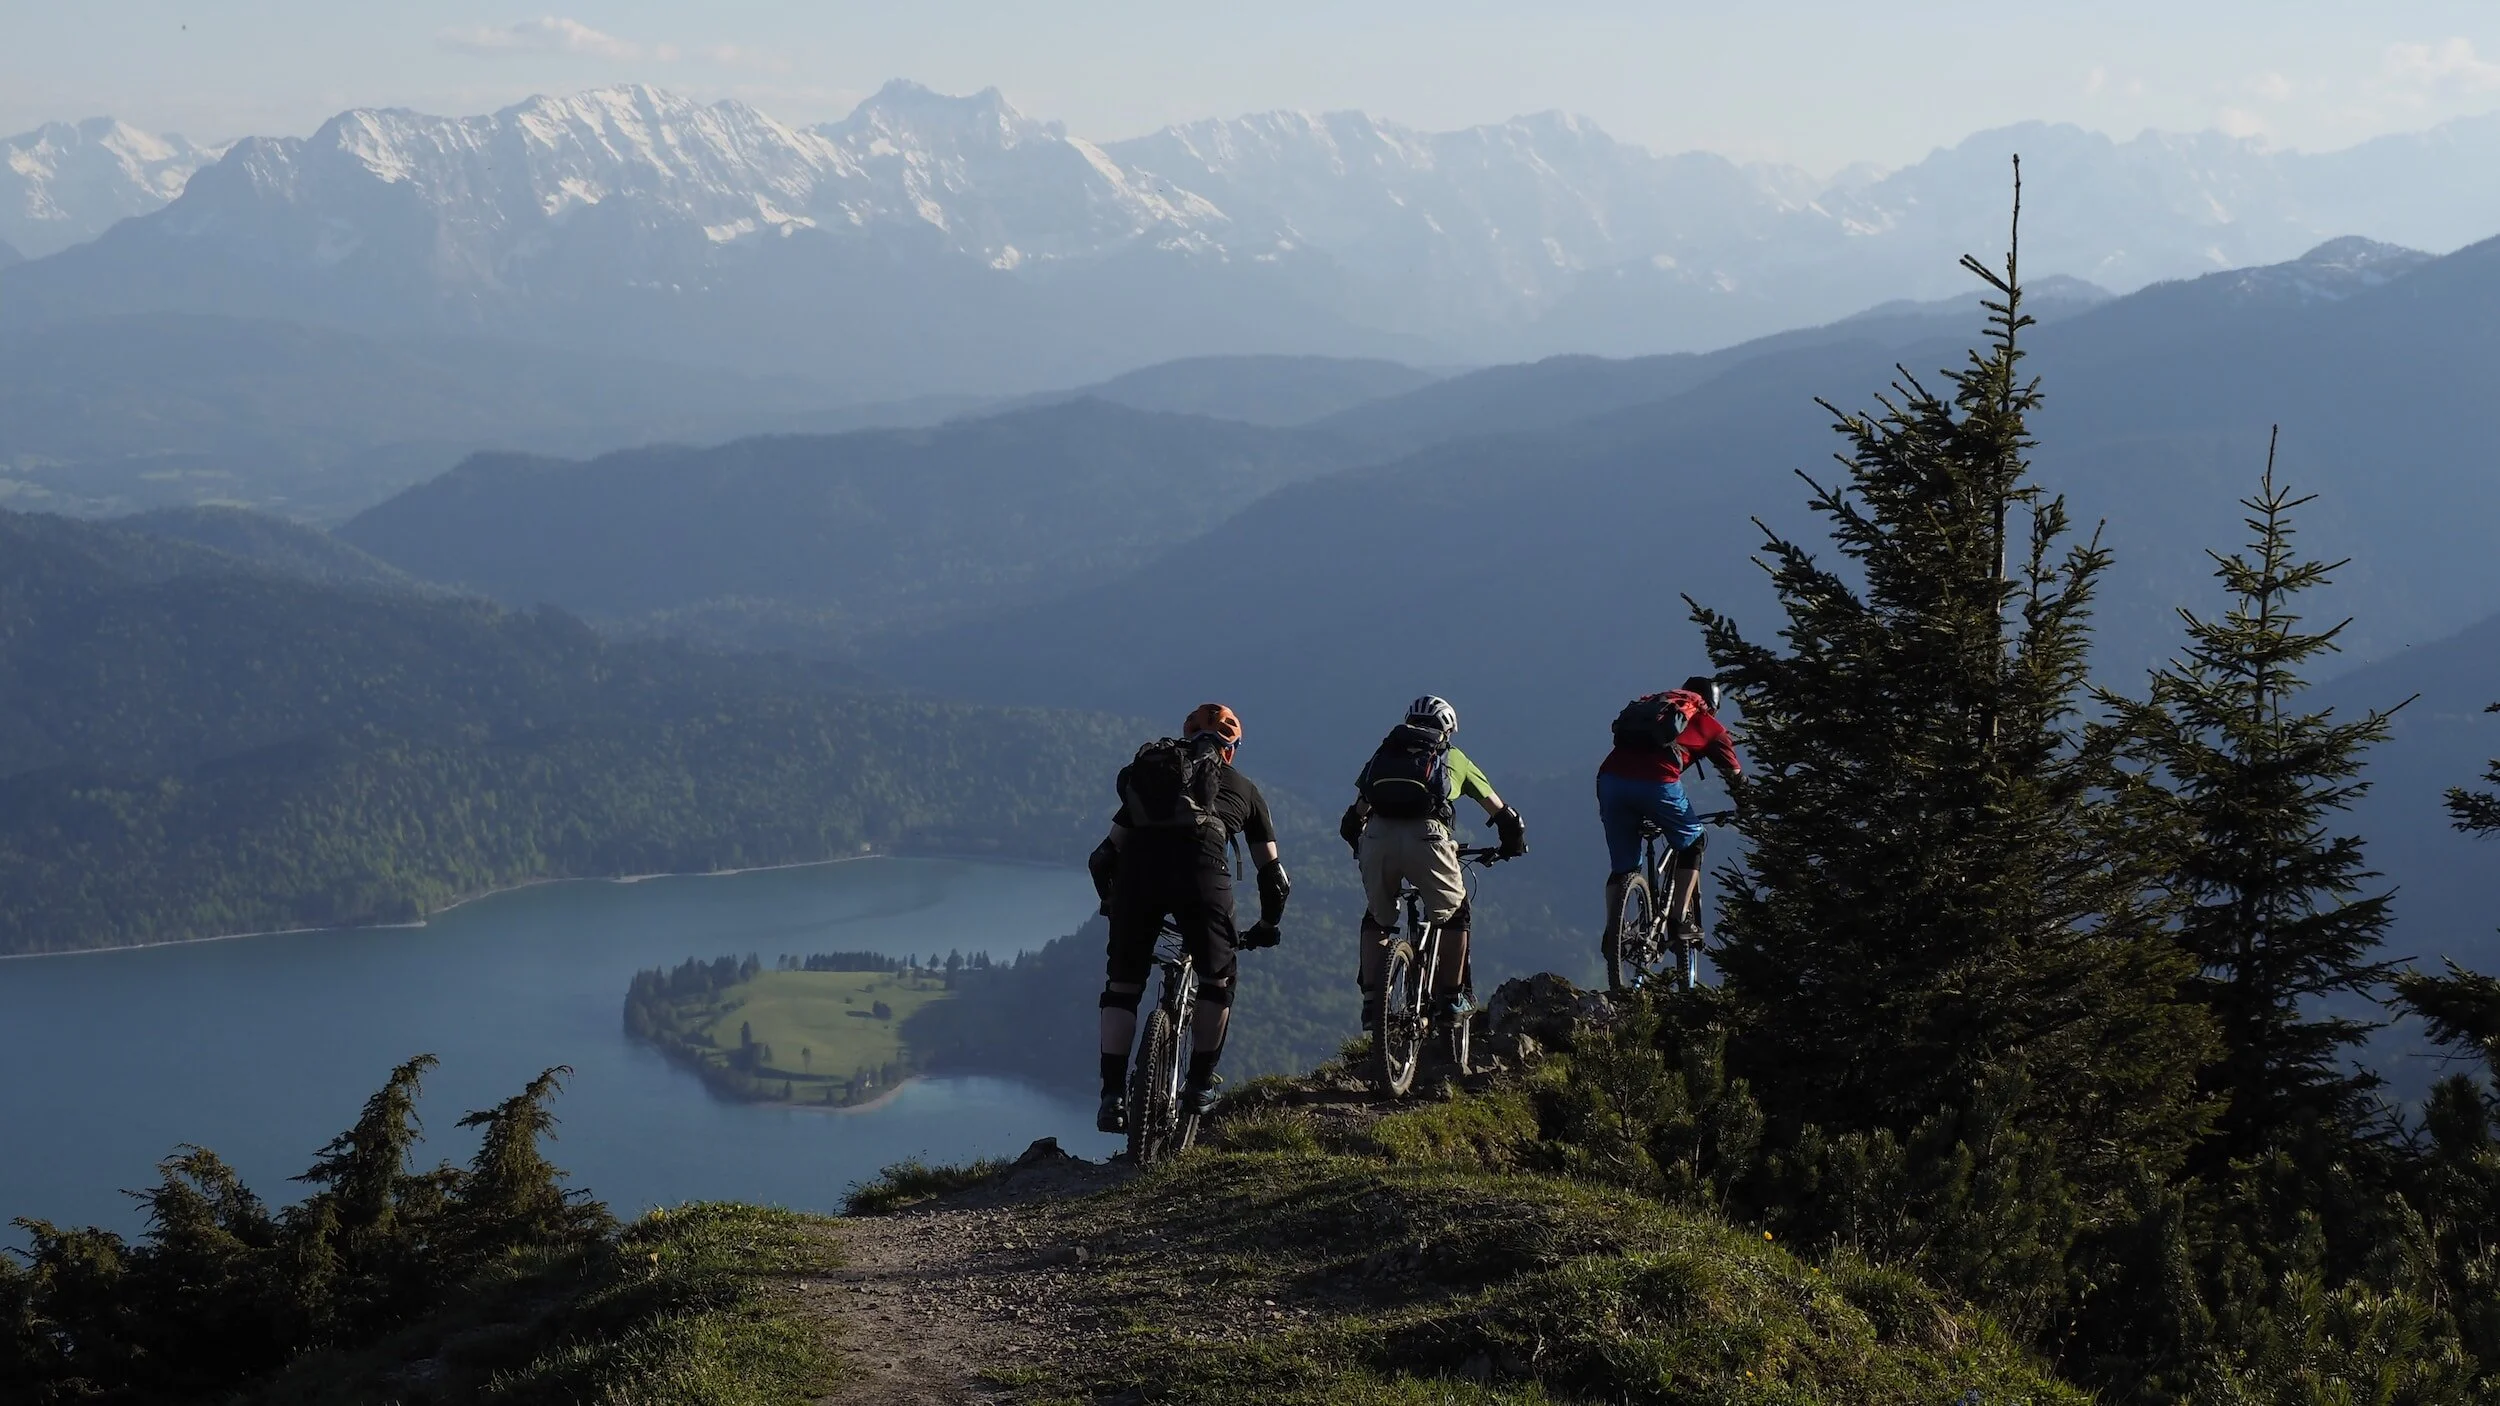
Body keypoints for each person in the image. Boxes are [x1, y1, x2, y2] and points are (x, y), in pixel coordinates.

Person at [1088, 703, 1288, 1132]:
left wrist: (1112, 903)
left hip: (1137, 877)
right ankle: (1199, 1085)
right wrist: (1268, 926)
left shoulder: (1156, 782)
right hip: (1202, 877)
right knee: (1217, 981)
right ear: (1231, 749)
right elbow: (1274, 879)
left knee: (1122, 987)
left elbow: (1102, 858)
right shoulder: (1245, 790)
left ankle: (1111, 1096)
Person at [1338, 695, 1525, 1032]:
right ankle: (1452, 998)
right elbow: (1503, 814)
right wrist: (1511, 845)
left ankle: (1371, 1002)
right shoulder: (1454, 758)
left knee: (1377, 917)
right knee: (1456, 914)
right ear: (1448, 730)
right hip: (1428, 840)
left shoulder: (1384, 755)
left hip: (1377, 838)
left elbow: (1353, 819)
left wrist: (1362, 847)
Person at [1596, 675, 1745, 976]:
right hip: (1657, 783)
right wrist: (1747, 806)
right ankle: (1679, 922)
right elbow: (1735, 774)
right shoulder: (1709, 724)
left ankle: (1615, 931)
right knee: (1694, 841)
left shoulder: (1656, 705)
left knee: (1624, 867)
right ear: (1711, 706)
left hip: (1610, 780)